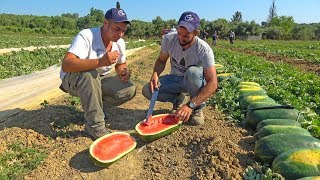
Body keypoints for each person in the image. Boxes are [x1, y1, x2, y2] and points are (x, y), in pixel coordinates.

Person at [59, 7, 136, 140]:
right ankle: (96, 126)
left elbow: (120, 64)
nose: (120, 34)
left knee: (129, 89)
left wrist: (123, 71)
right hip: (74, 78)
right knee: (89, 74)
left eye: (123, 31)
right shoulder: (87, 35)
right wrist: (101, 61)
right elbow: (67, 64)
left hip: (97, 81)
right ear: (105, 23)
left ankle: (94, 112)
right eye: (117, 29)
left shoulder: (120, 43)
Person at [142, 11, 218, 125]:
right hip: (174, 79)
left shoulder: (204, 49)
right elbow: (161, 60)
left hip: (192, 82)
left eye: (186, 36)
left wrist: (190, 105)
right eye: (179, 33)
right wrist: (155, 74)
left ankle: (197, 109)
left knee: (193, 72)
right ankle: (177, 99)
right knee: (148, 90)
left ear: (196, 33)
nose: (181, 38)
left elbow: (213, 83)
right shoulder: (169, 40)